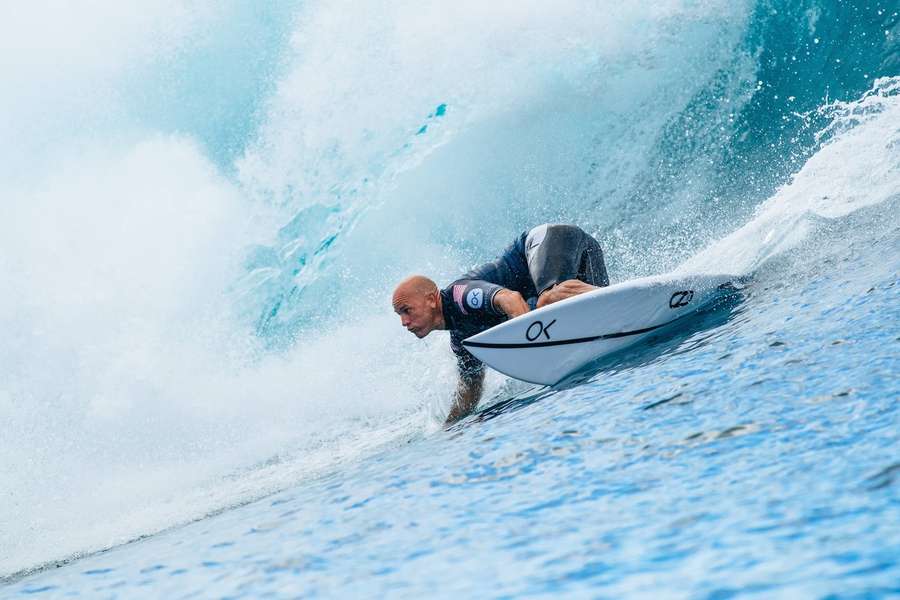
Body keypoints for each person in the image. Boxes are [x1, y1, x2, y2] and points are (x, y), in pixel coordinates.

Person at [392, 224, 610, 424]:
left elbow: (510, 300)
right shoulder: (462, 339)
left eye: (406, 310)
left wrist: (537, 348)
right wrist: (450, 428)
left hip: (551, 241)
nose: (404, 322)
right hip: (579, 261)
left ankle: (629, 290)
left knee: (548, 301)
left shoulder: (461, 296)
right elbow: (470, 388)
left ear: (431, 299)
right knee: (583, 310)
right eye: (399, 315)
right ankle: (618, 297)